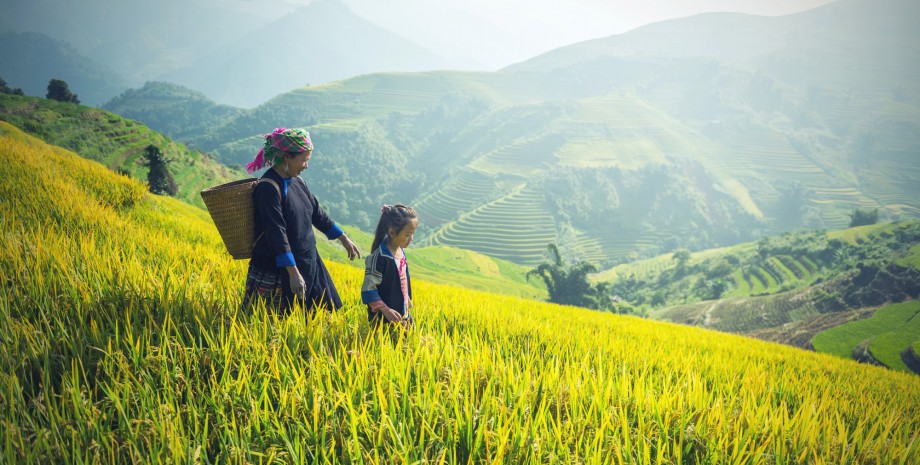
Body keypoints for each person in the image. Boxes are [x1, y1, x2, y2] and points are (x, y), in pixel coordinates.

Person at [242, 127, 361, 313]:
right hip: (280, 267)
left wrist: (343, 239)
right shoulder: (268, 188)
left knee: (323, 315)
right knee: (278, 321)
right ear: (286, 157)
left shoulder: (298, 182)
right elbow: (276, 233)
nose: (306, 165)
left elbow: (317, 214)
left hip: (309, 260)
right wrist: (293, 272)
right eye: (304, 159)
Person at [361, 204, 419, 328]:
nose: (411, 239)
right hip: (384, 320)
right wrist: (386, 310)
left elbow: (402, 280)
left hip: (402, 314)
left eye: (413, 234)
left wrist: (406, 297)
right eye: (408, 235)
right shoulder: (379, 257)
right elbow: (369, 290)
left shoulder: (401, 252)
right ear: (392, 232)